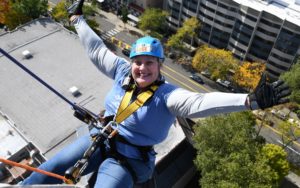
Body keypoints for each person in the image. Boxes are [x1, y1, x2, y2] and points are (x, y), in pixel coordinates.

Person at [21, 0, 291, 187]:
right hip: (99, 139)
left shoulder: (166, 96)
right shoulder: (121, 71)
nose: (142, 68)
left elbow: (200, 102)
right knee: (51, 168)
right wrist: (77, 19)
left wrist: (248, 101)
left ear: (159, 66)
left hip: (127, 159)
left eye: (149, 63)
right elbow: (96, 50)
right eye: (138, 61)